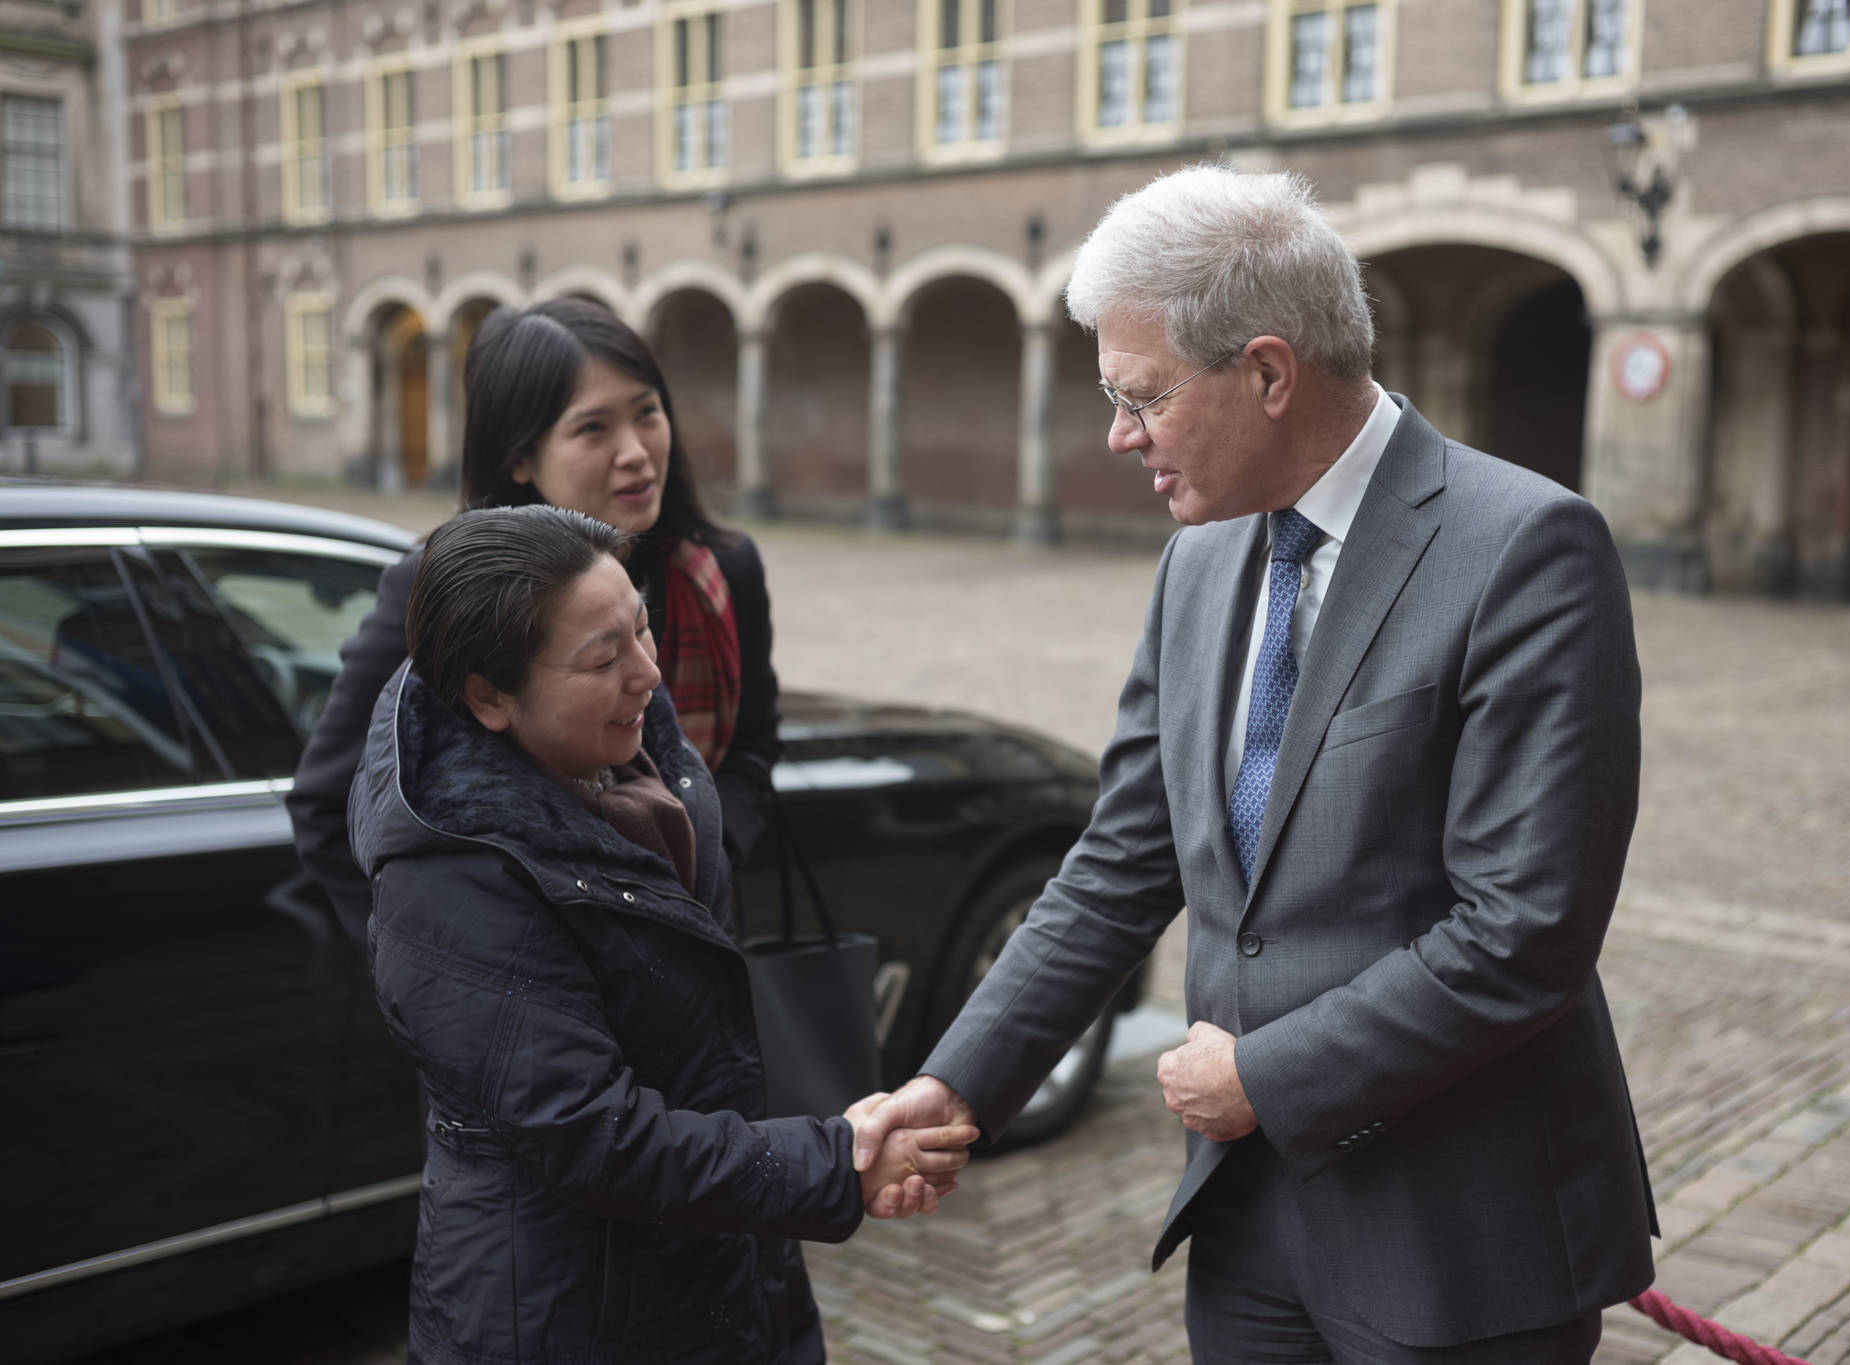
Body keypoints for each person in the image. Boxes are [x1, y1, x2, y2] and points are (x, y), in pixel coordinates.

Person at [852, 165, 1657, 1362]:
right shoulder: (1198, 561)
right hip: (1242, 1227)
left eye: (1142, 398)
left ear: (1268, 372)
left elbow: (1522, 931)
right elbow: (1123, 858)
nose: (1118, 436)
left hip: (1458, 1244)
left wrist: (1267, 1079)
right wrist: (960, 1083)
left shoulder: (1524, 550)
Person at [348, 505, 976, 1364]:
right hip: (569, 1311)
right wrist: (833, 1163)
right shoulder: (450, 875)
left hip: (716, 1259)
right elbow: (588, 1130)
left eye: (640, 626)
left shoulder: (629, 758)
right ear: (488, 696)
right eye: (603, 658)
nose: (647, 671)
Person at [291, 298, 781, 952]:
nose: (635, 452)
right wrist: (438, 970)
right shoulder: (439, 592)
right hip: (530, 977)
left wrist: (700, 852)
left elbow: (752, 748)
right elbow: (329, 804)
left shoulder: (722, 573)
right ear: (520, 458)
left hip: (700, 948)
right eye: (592, 429)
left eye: (647, 412)